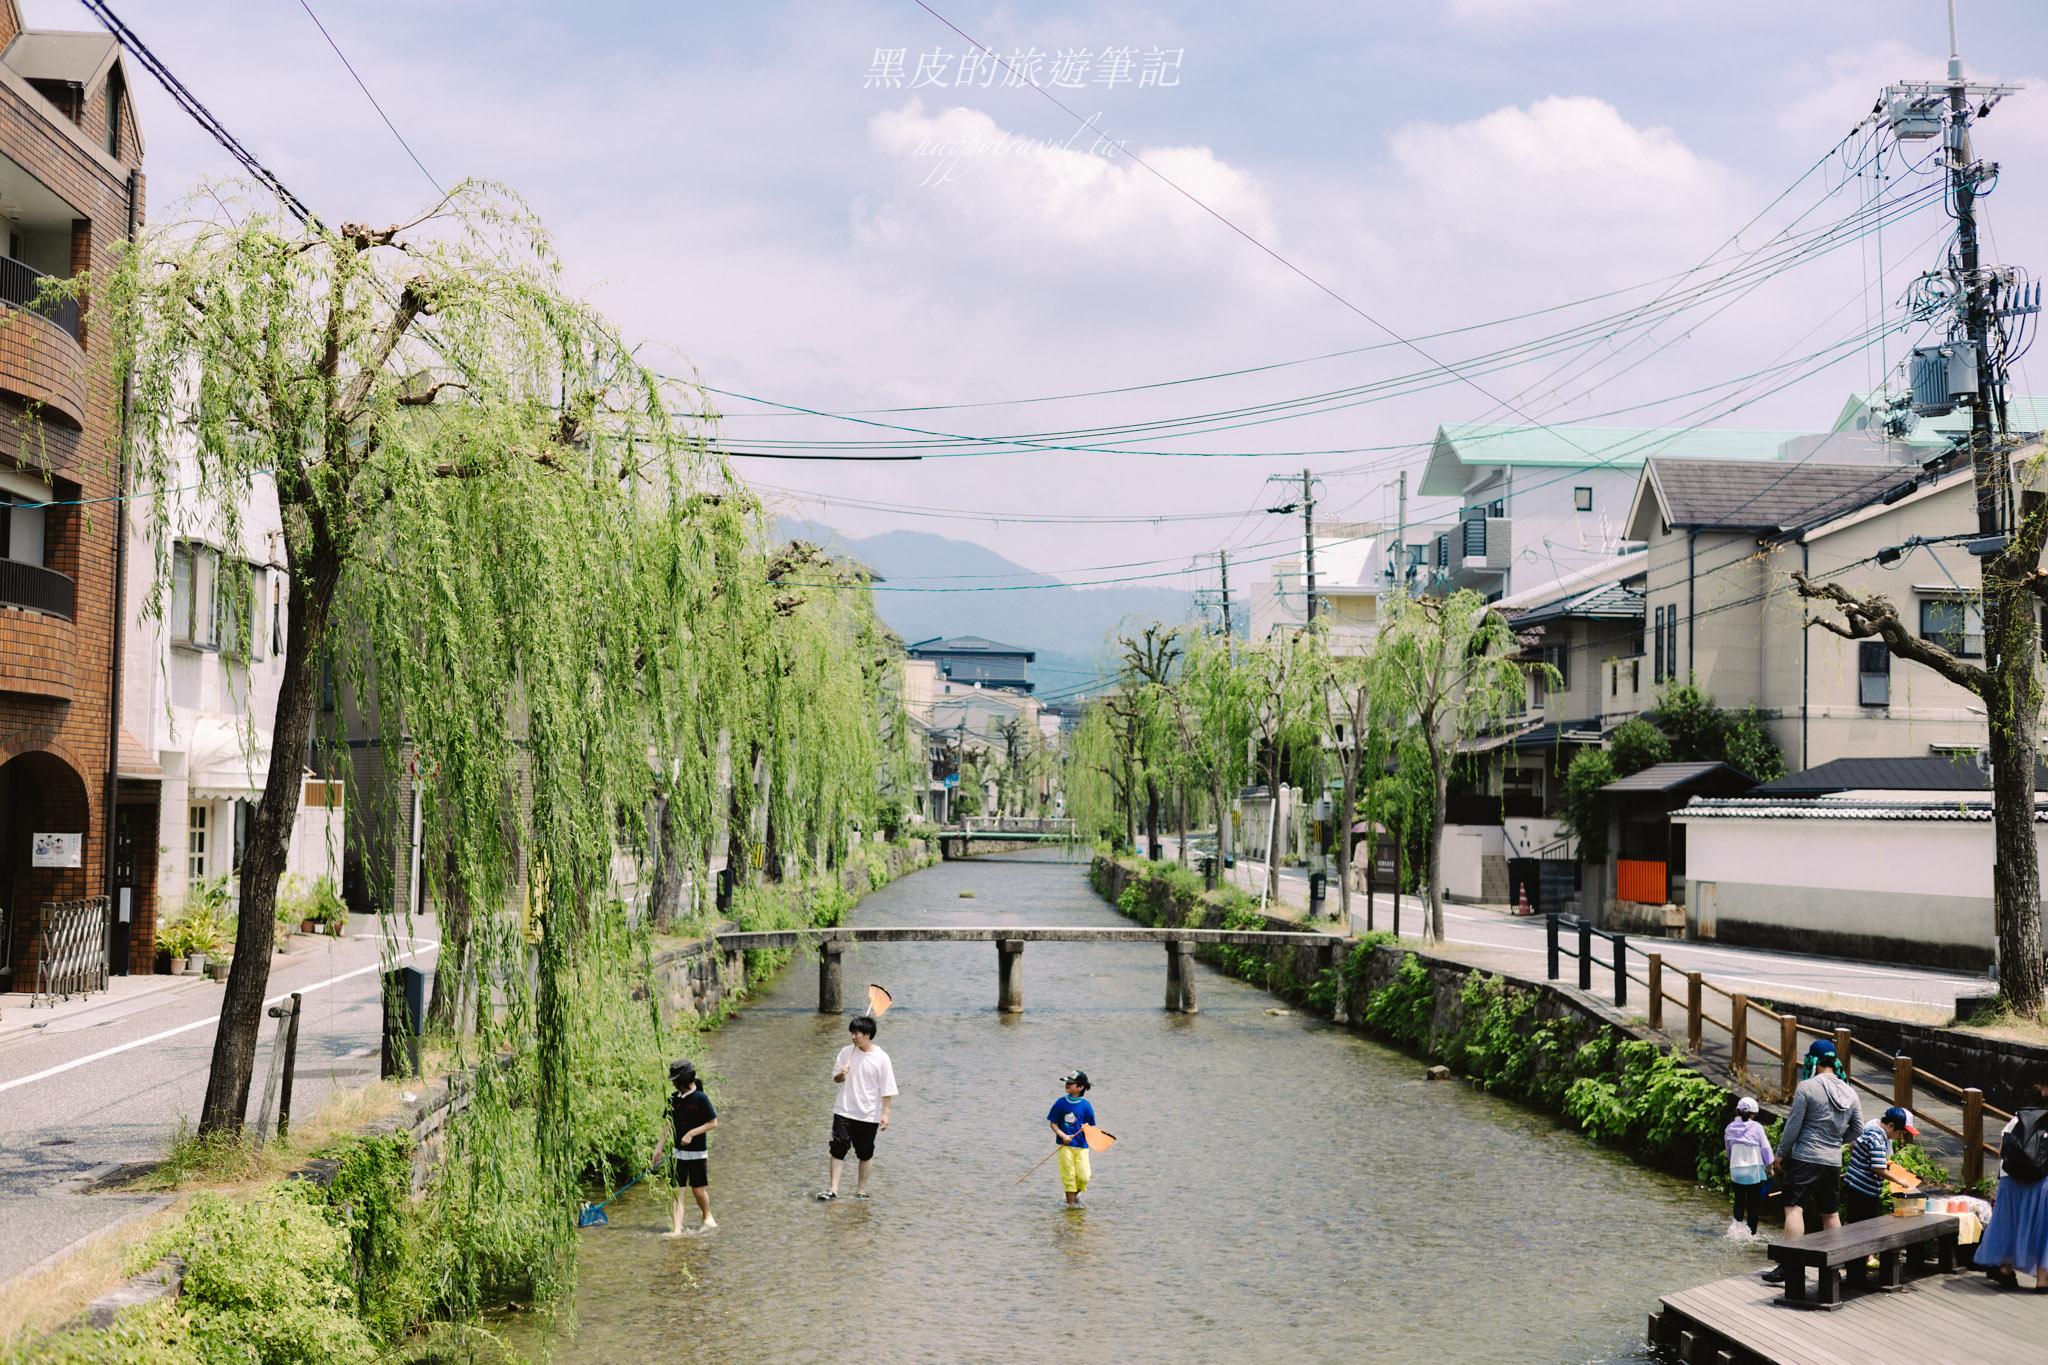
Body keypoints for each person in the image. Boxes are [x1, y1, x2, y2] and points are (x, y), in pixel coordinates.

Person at [1761, 1038, 1862, 1284]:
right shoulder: (1850, 1092)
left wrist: (1780, 1154)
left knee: (1794, 1208)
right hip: (1832, 1160)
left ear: (1814, 1062)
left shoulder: (1807, 1087)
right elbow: (1858, 1129)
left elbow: (1793, 1126)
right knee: (1830, 1213)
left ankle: (1791, 1266)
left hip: (1806, 1157)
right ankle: (1834, 1267)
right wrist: (1836, 1142)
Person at [1976, 1069, 2048, 1291]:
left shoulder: (2016, 1119)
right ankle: (2043, 1280)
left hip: (2011, 1180)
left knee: (2010, 1223)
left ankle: (2006, 1269)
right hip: (2042, 1182)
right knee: (2044, 1229)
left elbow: (2002, 1152)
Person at [819, 1014, 896, 1201]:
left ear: (868, 1035)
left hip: (868, 1114)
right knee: (838, 1148)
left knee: (865, 1152)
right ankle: (833, 1189)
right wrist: (841, 1074)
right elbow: (836, 1079)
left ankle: (861, 1191)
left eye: (856, 1033)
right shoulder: (846, 1052)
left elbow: (887, 1088)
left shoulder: (882, 1058)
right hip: (844, 1110)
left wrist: (885, 1114)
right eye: (851, 1033)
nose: (853, 1037)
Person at [653, 1059, 716, 1236]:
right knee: (676, 1191)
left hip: (697, 1154)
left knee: (698, 1190)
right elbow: (668, 1125)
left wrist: (691, 1134)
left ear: (684, 1080)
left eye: (676, 1080)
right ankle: (677, 1230)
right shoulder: (673, 1099)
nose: (673, 1084)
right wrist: (658, 1149)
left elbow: (713, 1123)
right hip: (677, 1155)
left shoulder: (701, 1098)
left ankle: (707, 1215)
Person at [1843, 1105, 1916, 1226]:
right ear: (1891, 1126)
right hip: (1865, 1190)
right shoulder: (1878, 1141)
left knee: (1852, 1220)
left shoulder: (1870, 1132)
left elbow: (1852, 1146)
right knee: (1865, 1225)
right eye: (1900, 1133)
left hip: (1853, 1184)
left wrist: (1866, 1160)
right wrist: (1899, 1180)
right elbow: (1878, 1169)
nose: (1900, 1137)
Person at [1723, 1096, 1774, 1241]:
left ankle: (1736, 1231)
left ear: (1737, 1111)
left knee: (1739, 1201)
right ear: (1753, 1114)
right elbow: (1766, 1148)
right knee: (1753, 1205)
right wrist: (1770, 1167)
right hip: (1753, 1171)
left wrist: (1732, 1162)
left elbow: (1729, 1151)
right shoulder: (1757, 1127)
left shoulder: (1729, 1128)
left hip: (1736, 1169)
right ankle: (1752, 1235)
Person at [1047, 1069, 1098, 1208]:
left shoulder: (1086, 1106)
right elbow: (1053, 1123)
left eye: (1071, 1083)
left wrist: (1086, 1128)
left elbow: (1091, 1127)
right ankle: (1071, 1207)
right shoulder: (1060, 1103)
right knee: (1068, 1176)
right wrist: (1063, 1136)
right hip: (1065, 1147)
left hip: (1081, 1146)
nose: (1067, 1084)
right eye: (1066, 1082)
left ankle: (1074, 1196)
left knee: (1084, 1176)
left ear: (1080, 1087)